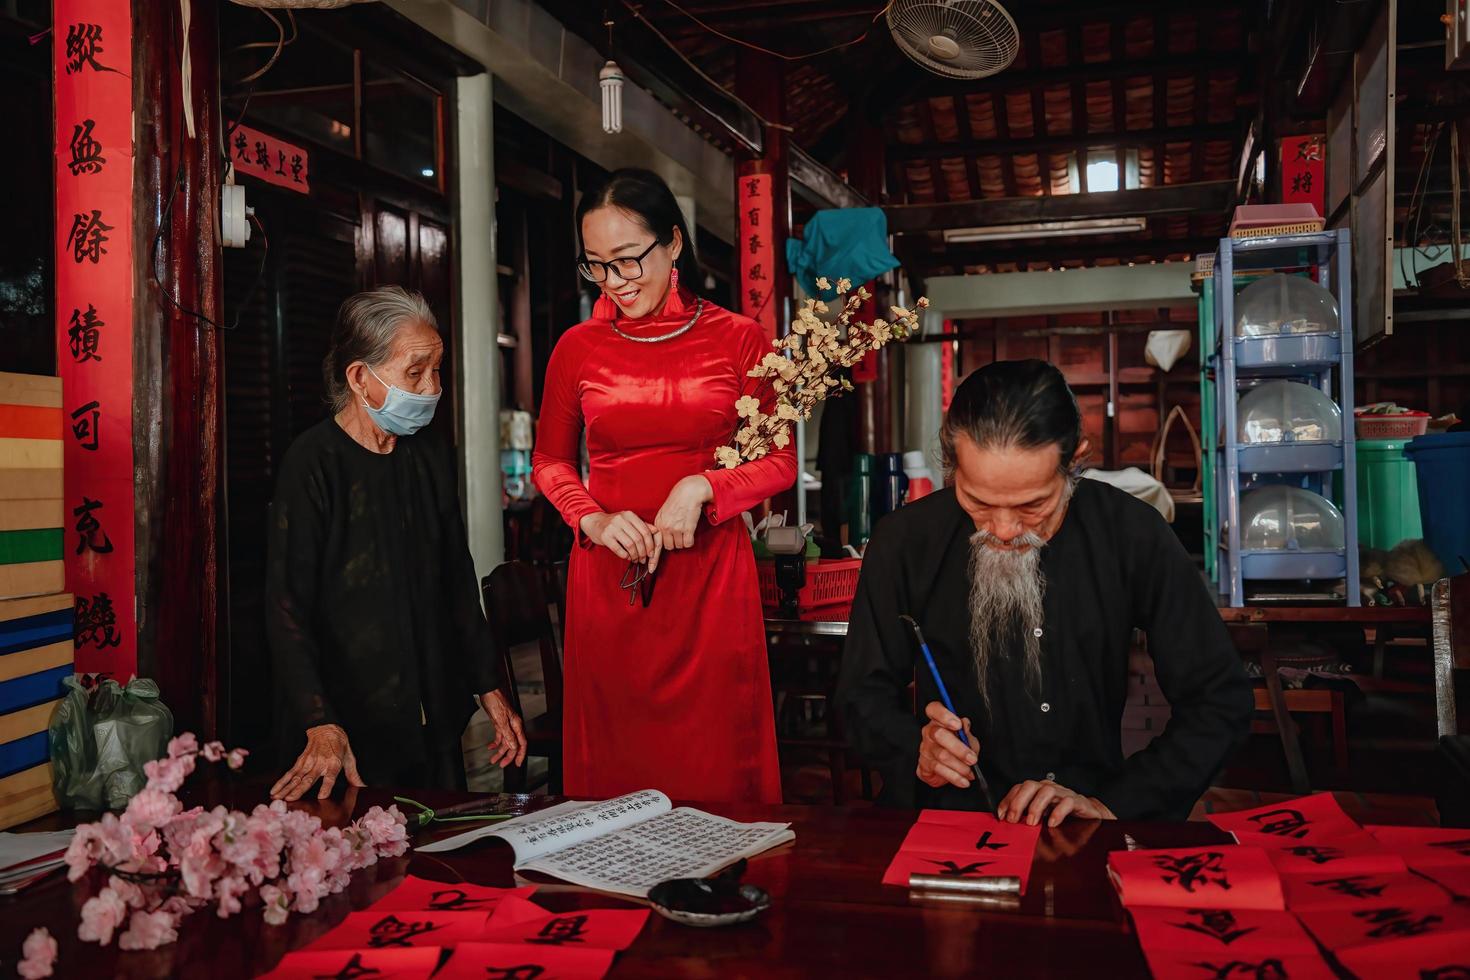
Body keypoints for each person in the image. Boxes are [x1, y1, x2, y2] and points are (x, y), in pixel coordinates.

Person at [838, 360, 1252, 824]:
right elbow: (861, 697)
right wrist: (917, 748)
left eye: (1033, 505)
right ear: (953, 463)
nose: (1004, 529)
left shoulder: (1130, 533)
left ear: (1075, 460)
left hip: (1084, 820)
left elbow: (1219, 699)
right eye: (977, 501)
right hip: (949, 821)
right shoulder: (906, 542)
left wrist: (1118, 804)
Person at [532, 168, 791, 803]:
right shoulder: (577, 348)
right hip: (609, 579)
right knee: (616, 764)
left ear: (673, 243)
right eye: (597, 266)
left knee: (713, 762)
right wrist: (590, 518)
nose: (616, 283)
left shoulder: (741, 340)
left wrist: (703, 486)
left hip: (709, 579)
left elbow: (779, 462)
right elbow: (550, 461)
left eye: (628, 261)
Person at [266, 286, 526, 801]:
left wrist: (490, 687)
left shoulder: (427, 455)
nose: (431, 388)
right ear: (360, 377)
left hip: (432, 708)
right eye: (415, 372)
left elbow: (456, 577)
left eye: (436, 370)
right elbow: (286, 606)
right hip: (347, 724)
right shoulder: (313, 463)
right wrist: (319, 721)